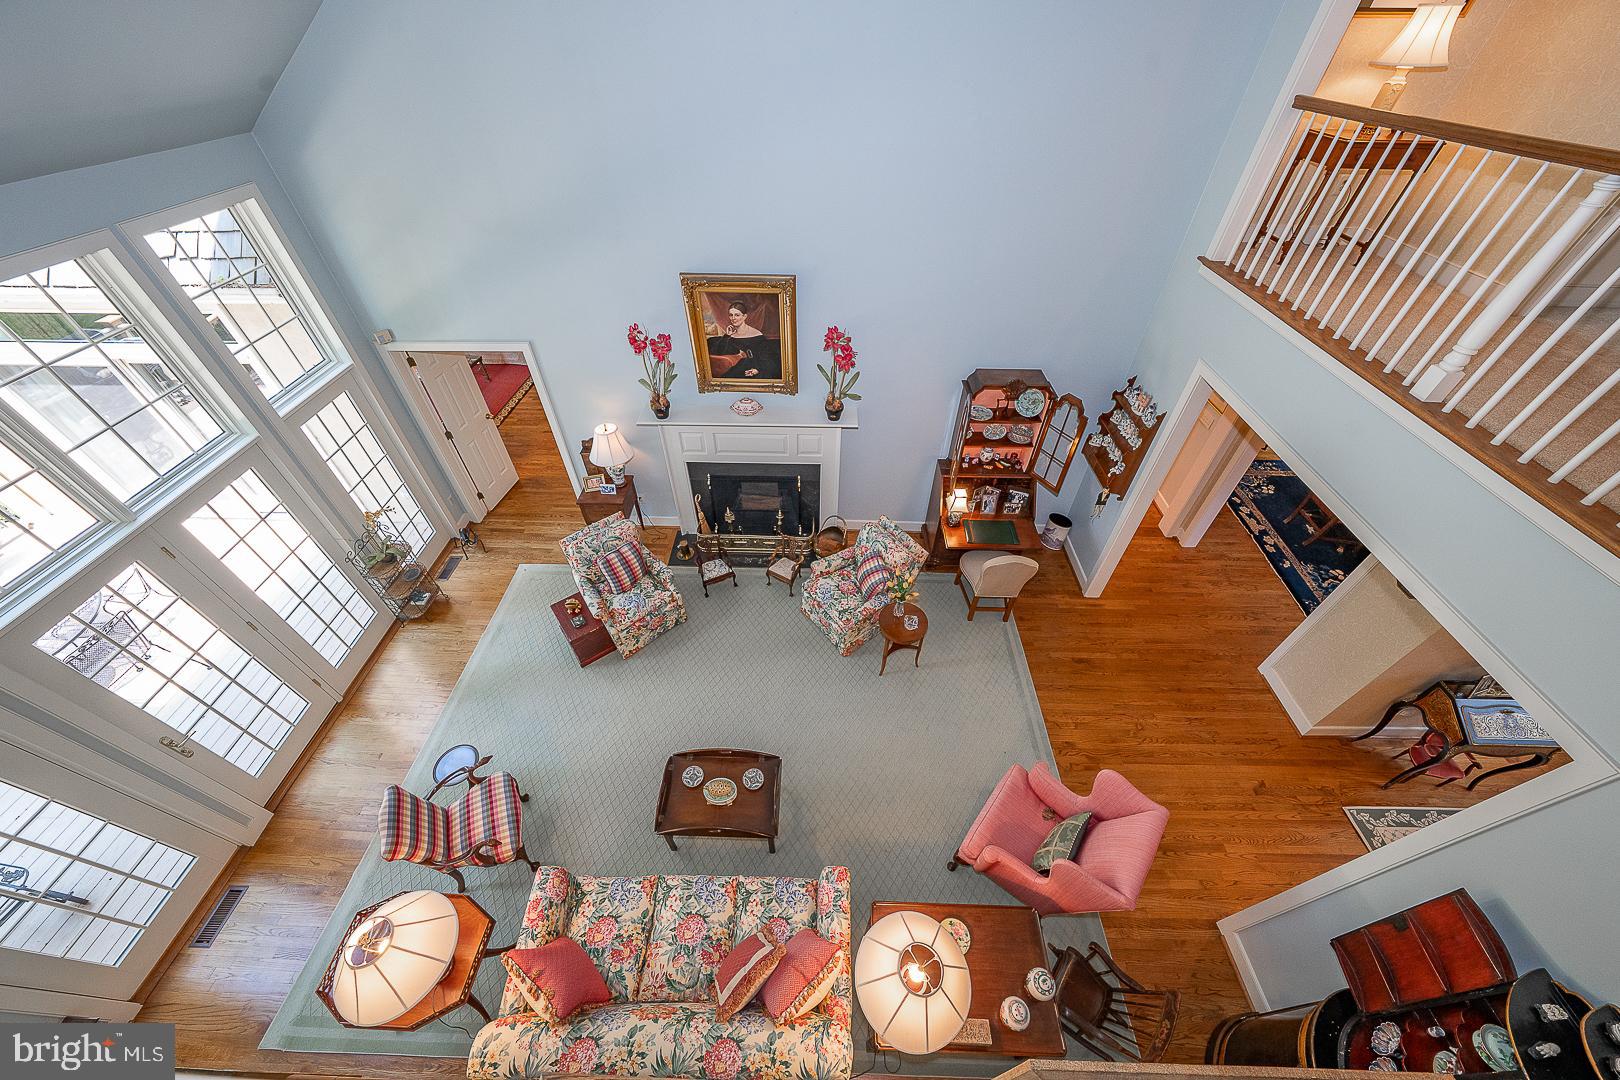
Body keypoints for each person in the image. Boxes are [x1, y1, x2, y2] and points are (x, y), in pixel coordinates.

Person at [704, 298, 781, 380]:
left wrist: (757, 370)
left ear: (744, 316)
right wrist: (727, 335)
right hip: (736, 367)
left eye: (737, 315)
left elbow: (767, 360)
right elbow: (719, 351)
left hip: (752, 369)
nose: (733, 318)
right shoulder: (730, 335)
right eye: (731, 315)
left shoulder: (756, 335)